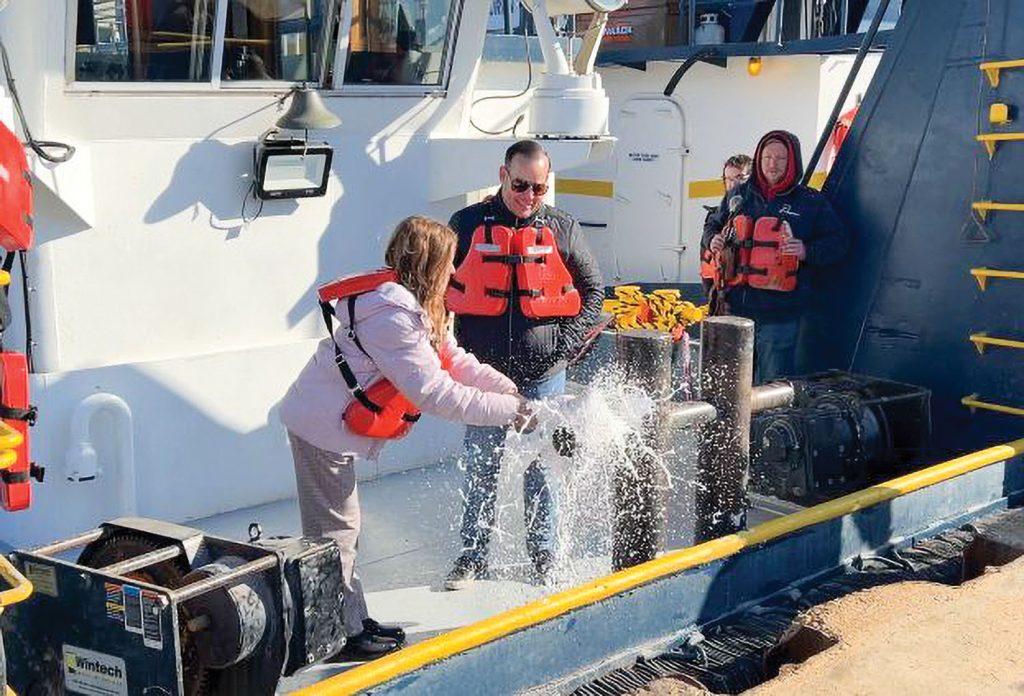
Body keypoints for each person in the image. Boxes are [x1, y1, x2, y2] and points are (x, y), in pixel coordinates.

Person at [279, 216, 533, 659]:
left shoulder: (418, 306)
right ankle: (341, 634)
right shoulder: (392, 313)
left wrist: (507, 389)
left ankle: (352, 618)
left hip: (330, 425)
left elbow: (454, 359)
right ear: (430, 262)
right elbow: (435, 393)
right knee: (336, 532)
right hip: (318, 427)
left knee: (342, 532)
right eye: (450, 262)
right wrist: (510, 413)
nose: (455, 272)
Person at [444, 140, 604, 590]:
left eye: (539, 187)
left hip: (545, 376)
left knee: (542, 470)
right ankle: (471, 558)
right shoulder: (468, 223)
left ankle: (544, 558)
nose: (530, 195)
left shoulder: (562, 226)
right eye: (521, 184)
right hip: (483, 377)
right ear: (502, 174)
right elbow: (436, 284)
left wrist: (565, 346)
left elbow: (594, 291)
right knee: (481, 467)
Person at [702, 131, 847, 382]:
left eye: (781, 158)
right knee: (730, 383)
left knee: (771, 386)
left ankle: (768, 422)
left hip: (780, 316)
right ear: (758, 159)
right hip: (734, 309)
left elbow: (839, 242)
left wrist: (806, 250)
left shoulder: (811, 203)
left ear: (792, 162)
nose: (773, 164)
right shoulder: (738, 197)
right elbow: (713, 225)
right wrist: (712, 238)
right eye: (767, 157)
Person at [700, 154, 753, 295]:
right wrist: (712, 239)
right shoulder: (723, 209)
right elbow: (710, 226)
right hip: (726, 288)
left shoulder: (764, 207)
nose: (733, 184)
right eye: (728, 179)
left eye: (740, 178)